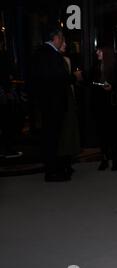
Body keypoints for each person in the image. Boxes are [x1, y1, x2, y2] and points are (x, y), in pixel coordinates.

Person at [30, 28, 82, 182]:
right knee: (53, 138)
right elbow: (59, 79)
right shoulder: (52, 55)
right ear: (57, 38)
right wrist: (74, 77)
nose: (63, 42)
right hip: (54, 103)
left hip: (47, 102)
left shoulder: (40, 53)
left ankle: (53, 168)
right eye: (62, 39)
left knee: (51, 136)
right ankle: (52, 172)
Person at [91, 45, 117, 171]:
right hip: (100, 105)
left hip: (112, 105)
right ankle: (104, 159)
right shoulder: (96, 66)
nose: (97, 53)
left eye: (100, 51)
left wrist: (112, 87)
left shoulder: (115, 67)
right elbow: (91, 82)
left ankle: (115, 160)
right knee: (102, 134)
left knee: (113, 134)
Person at [57, 37, 81, 178]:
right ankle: (64, 163)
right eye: (63, 42)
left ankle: (67, 161)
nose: (65, 44)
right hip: (63, 99)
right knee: (64, 132)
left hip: (69, 98)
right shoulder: (58, 60)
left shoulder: (66, 60)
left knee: (70, 131)